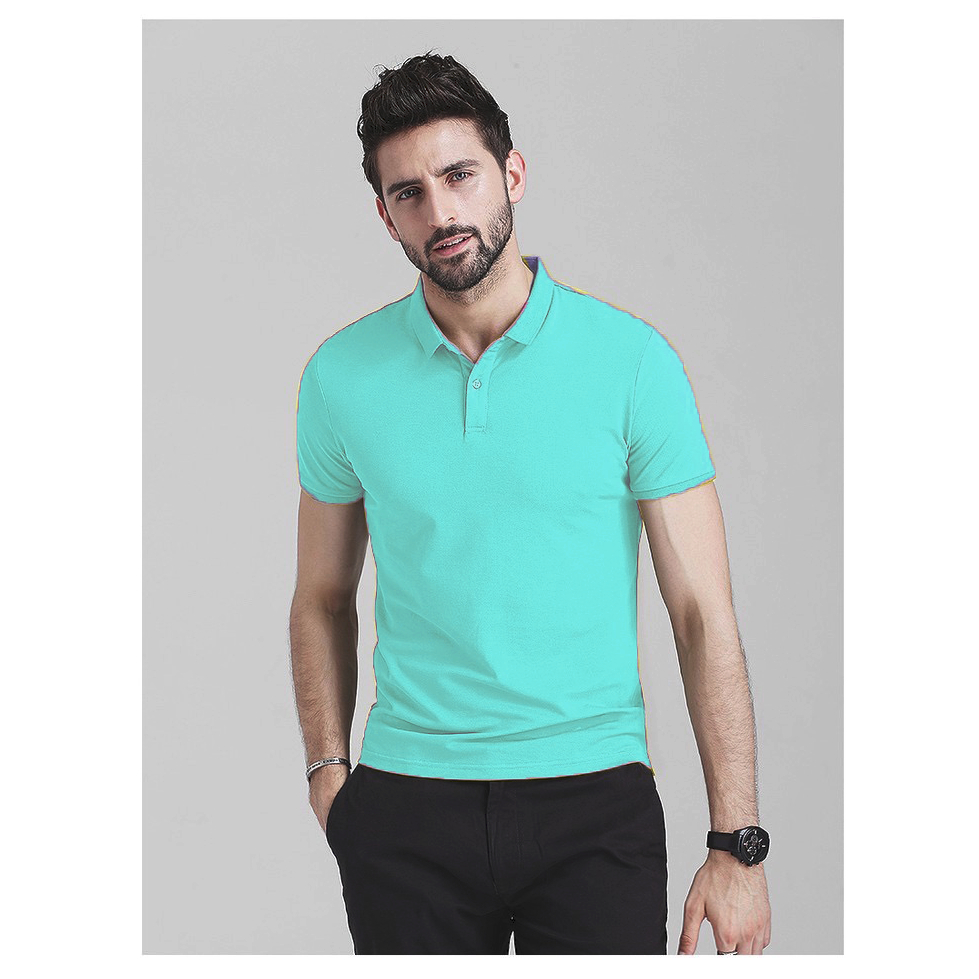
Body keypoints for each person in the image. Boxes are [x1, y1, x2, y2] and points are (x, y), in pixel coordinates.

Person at [290, 51, 771, 955]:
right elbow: (319, 595)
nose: (440, 213)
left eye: (459, 175)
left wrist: (736, 840)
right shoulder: (340, 376)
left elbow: (702, 613)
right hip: (405, 806)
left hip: (593, 802)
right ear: (384, 214)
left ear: (512, 172)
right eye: (408, 193)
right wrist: (328, 770)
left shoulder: (632, 363)